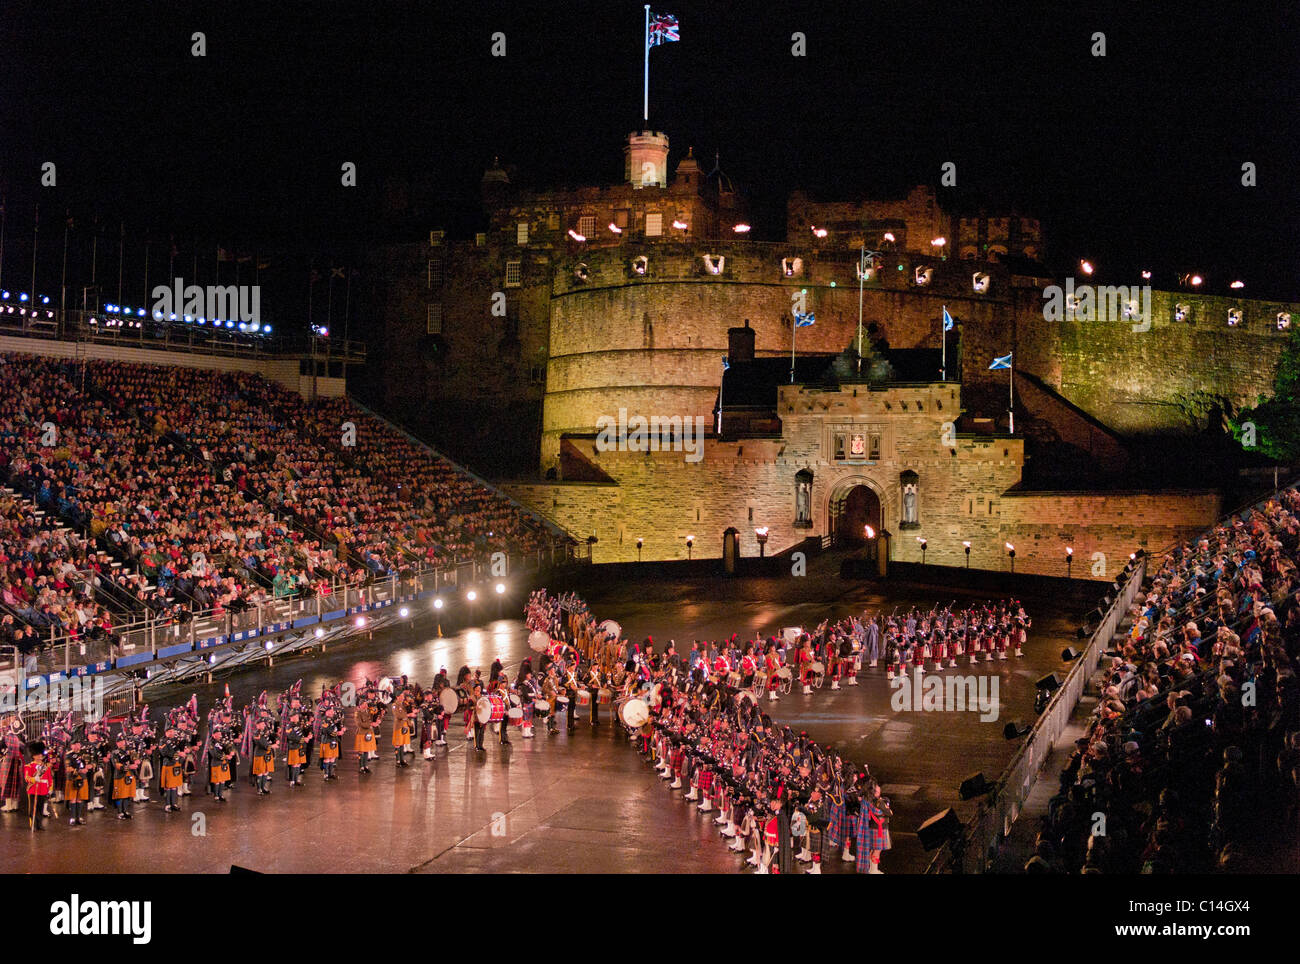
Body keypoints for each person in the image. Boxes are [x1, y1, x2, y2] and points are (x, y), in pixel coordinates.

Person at [23, 741, 52, 831]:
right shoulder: (29, 766)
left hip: (43, 789)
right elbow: (27, 777)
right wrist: (34, 779)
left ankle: (39, 824)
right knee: (33, 808)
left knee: (40, 807)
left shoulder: (46, 767)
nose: (40, 756)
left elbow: (49, 778)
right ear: (33, 755)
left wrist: (50, 788)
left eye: (41, 754)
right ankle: (33, 824)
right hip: (33, 788)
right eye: (37, 754)